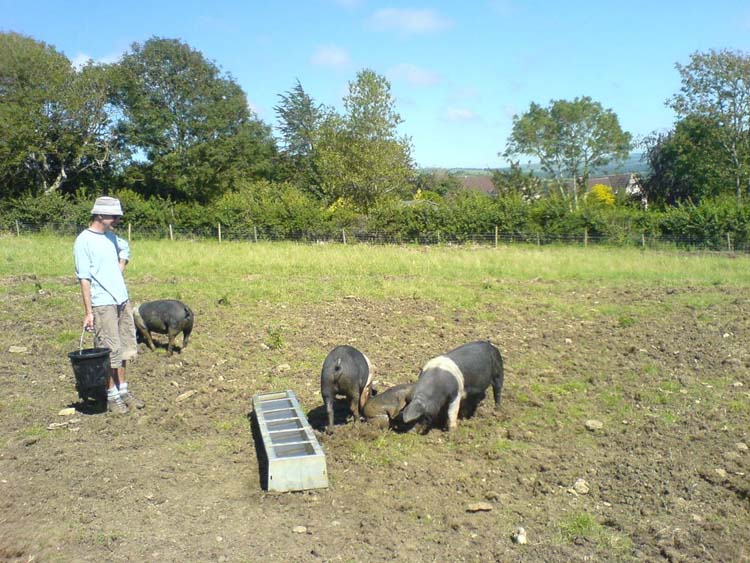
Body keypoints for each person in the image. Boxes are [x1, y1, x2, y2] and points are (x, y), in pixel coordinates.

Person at [73, 196, 144, 414]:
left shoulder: (112, 239)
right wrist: (88, 312)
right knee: (108, 351)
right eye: (114, 216)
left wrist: (123, 261)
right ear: (100, 215)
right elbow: (84, 278)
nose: (117, 220)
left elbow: (122, 255)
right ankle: (112, 396)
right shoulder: (84, 241)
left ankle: (123, 391)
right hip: (102, 303)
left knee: (122, 349)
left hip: (121, 300)